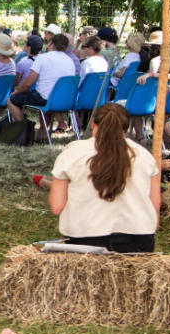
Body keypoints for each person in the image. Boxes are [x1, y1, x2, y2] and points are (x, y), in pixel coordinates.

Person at [47, 103, 159, 252]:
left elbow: (56, 206)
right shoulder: (145, 156)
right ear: (125, 128)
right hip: (139, 238)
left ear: (93, 123)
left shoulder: (72, 153)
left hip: (85, 237)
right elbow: (154, 207)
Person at [8, 33, 77, 124]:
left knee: (11, 99)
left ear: (51, 43)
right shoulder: (70, 61)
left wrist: (17, 91)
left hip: (44, 99)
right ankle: (43, 133)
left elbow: (28, 83)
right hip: (64, 100)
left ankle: (23, 128)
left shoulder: (43, 58)